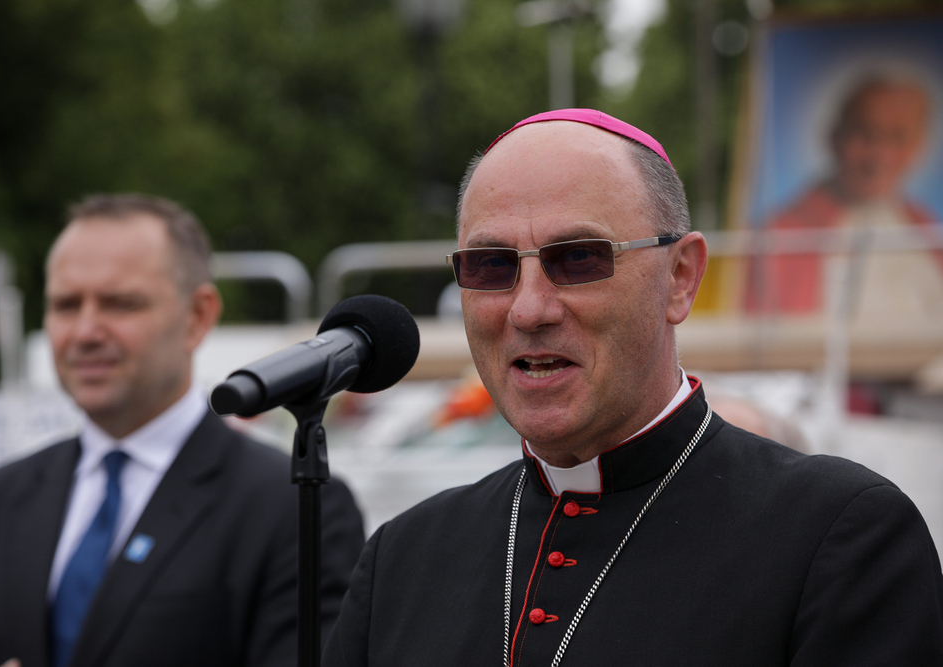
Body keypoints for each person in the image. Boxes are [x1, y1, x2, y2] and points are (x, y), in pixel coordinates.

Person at [322, 109, 943, 666]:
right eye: (492, 265)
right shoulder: (401, 561)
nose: (529, 309)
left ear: (680, 277)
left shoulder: (838, 538)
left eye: (578, 258)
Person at [0, 194, 365, 667]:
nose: (85, 331)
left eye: (120, 304)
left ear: (198, 316)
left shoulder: (295, 509)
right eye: (65, 305)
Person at [746, 75, 943, 318]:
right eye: (865, 133)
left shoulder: (925, 227)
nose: (879, 154)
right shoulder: (783, 234)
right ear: (835, 136)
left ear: (918, 146)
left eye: (897, 137)